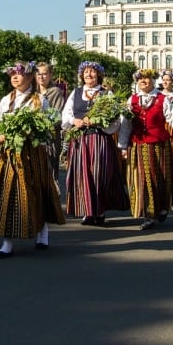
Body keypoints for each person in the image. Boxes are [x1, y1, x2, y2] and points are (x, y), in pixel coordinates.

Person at [0, 61, 65, 257]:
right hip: (9, 154)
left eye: (19, 73)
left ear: (30, 77)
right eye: (12, 73)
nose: (14, 76)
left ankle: (42, 231)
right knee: (8, 195)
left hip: (32, 154)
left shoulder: (39, 100)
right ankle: (7, 242)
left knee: (36, 192)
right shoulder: (5, 100)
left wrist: (33, 133)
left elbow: (47, 128)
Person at [62, 61, 128, 225]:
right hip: (80, 141)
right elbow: (66, 115)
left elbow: (116, 120)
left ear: (99, 75)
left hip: (99, 140)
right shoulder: (75, 93)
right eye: (85, 72)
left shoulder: (107, 94)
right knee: (81, 175)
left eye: (92, 72)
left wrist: (98, 122)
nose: (89, 75)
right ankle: (88, 211)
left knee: (100, 175)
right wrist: (74, 120)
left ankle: (99, 210)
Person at [122, 69, 173, 230]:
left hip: (160, 145)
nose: (143, 81)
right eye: (140, 79)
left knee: (160, 177)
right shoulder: (132, 100)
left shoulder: (163, 99)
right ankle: (148, 214)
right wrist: (122, 146)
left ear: (153, 81)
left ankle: (162, 207)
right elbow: (126, 125)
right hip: (138, 145)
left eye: (147, 79)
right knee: (143, 179)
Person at [35, 61, 65, 178]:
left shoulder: (55, 92)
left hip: (49, 137)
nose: (41, 77)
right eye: (38, 74)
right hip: (33, 136)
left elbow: (57, 116)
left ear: (50, 75)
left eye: (44, 74)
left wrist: (41, 122)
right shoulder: (32, 91)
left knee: (49, 171)